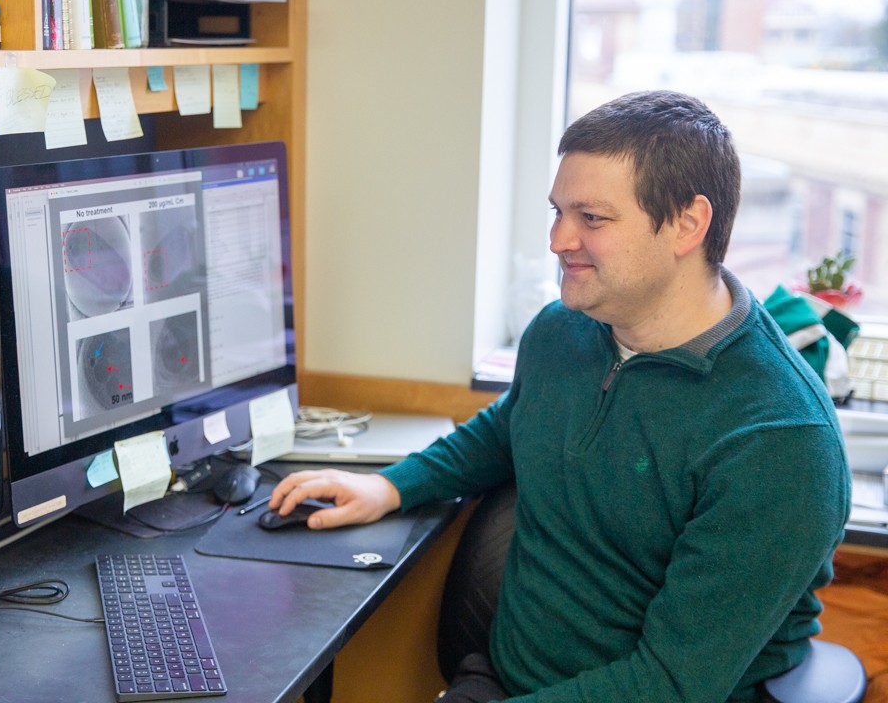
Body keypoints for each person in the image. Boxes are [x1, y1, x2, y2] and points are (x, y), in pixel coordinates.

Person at [270, 90, 851, 702]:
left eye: (591, 219)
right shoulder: (564, 329)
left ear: (687, 224)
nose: (558, 239)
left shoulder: (779, 440)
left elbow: (670, 684)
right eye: (558, 212)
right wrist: (392, 485)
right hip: (508, 681)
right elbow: (509, 425)